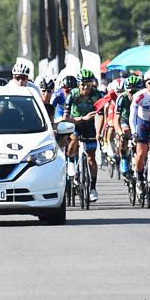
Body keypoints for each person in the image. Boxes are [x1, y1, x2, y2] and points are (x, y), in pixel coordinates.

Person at [64, 69, 102, 202]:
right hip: (76, 122)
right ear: (78, 84)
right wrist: (81, 118)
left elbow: (101, 114)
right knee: (73, 141)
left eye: (89, 84)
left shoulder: (97, 94)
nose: (86, 87)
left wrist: (99, 133)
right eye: (83, 84)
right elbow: (65, 118)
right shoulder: (72, 95)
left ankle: (92, 188)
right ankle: (71, 164)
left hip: (90, 125)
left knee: (91, 157)